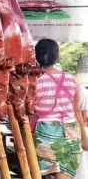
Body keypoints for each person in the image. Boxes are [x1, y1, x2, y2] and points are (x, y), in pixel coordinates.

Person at [32, 39, 88, 179]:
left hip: (46, 132)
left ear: (37, 57)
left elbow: (32, 114)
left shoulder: (35, 83)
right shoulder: (71, 79)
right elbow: (77, 111)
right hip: (71, 131)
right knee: (64, 175)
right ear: (57, 56)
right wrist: (84, 137)